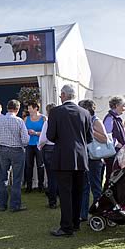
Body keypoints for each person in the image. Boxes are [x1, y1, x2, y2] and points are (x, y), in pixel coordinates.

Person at [47, 84, 93, 237]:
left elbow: (50, 136)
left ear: (64, 95)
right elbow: (89, 138)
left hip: (63, 157)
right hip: (80, 157)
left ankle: (66, 227)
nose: (60, 97)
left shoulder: (55, 112)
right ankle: (75, 223)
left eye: (61, 95)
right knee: (78, 192)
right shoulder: (85, 113)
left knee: (66, 193)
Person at [0, 99, 30, 211]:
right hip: (17, 150)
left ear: (7, 107)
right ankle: (15, 205)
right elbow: (25, 140)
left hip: (3, 150)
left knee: (3, 178)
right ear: (17, 109)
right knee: (17, 179)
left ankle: (2, 205)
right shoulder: (19, 121)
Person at [78, 99, 108, 221]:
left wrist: (90, 130)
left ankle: (99, 213)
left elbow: (105, 138)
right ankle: (83, 214)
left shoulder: (96, 121)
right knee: (84, 187)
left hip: (95, 159)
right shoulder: (84, 120)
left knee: (96, 187)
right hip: (85, 157)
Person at [102, 96, 125, 185]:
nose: (124, 109)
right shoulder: (110, 118)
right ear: (116, 105)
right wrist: (117, 144)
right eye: (123, 106)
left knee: (116, 176)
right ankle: (106, 196)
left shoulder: (116, 118)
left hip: (117, 152)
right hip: (112, 153)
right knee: (111, 176)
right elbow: (107, 136)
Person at [38, 103, 57, 208]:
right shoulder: (61, 121)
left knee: (51, 176)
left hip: (49, 149)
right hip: (60, 149)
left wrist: (39, 146)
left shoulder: (48, 122)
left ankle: (52, 201)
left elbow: (43, 138)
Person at [24, 102, 46, 193]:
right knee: (29, 166)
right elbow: (23, 131)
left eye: (30, 108)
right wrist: (27, 132)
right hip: (29, 144)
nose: (29, 110)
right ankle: (29, 186)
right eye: (28, 108)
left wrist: (36, 133)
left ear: (36, 108)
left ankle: (40, 186)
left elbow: (46, 133)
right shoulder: (26, 119)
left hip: (39, 145)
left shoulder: (43, 118)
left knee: (40, 165)